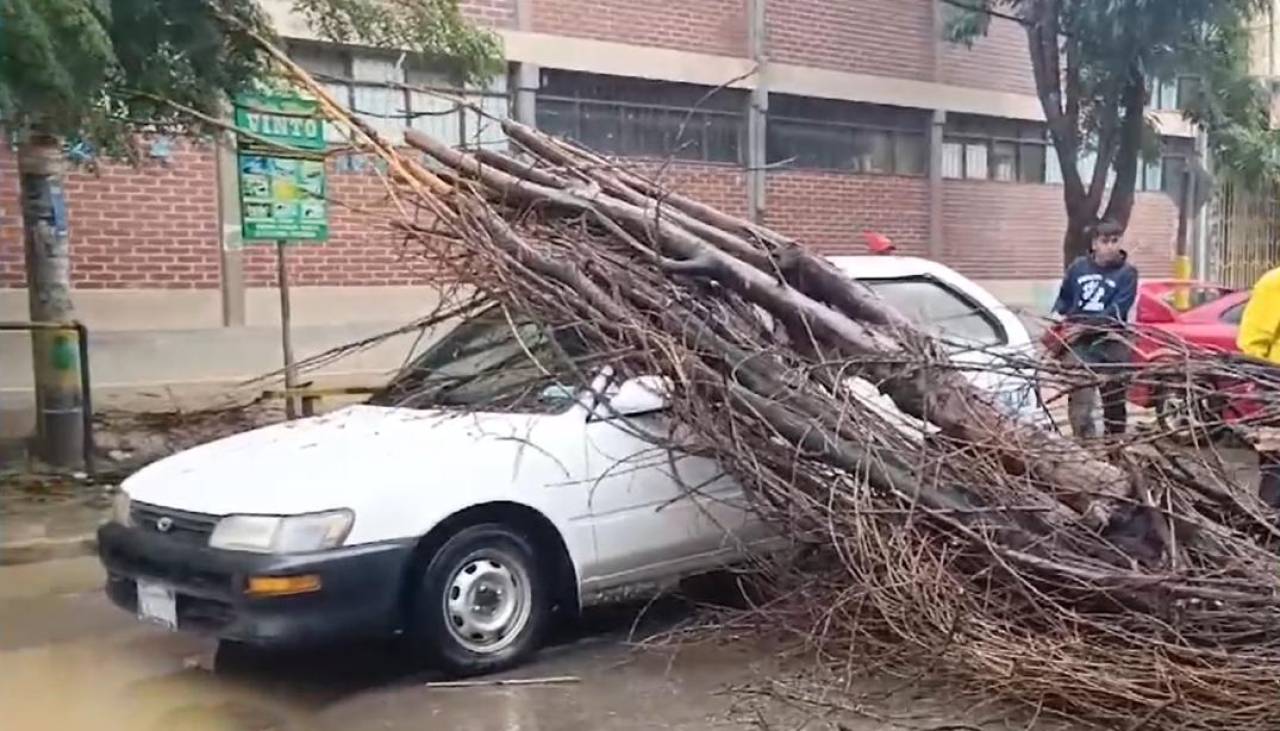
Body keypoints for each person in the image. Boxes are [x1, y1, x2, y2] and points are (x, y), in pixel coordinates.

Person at [1051, 220, 1139, 438]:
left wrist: (1083, 327)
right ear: (1094, 244)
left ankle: (1114, 449)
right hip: (1080, 346)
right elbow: (1064, 300)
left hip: (1112, 341)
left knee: (1114, 402)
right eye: (1105, 241)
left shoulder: (1127, 273)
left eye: (1115, 241)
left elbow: (1116, 312)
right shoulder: (1078, 267)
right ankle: (1086, 451)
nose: (1110, 246)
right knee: (1080, 402)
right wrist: (1059, 323)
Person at [1236, 266, 1280, 507]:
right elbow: (1252, 341)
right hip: (1275, 379)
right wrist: (1264, 380)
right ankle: (1269, 523)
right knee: (1276, 461)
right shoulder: (1274, 283)